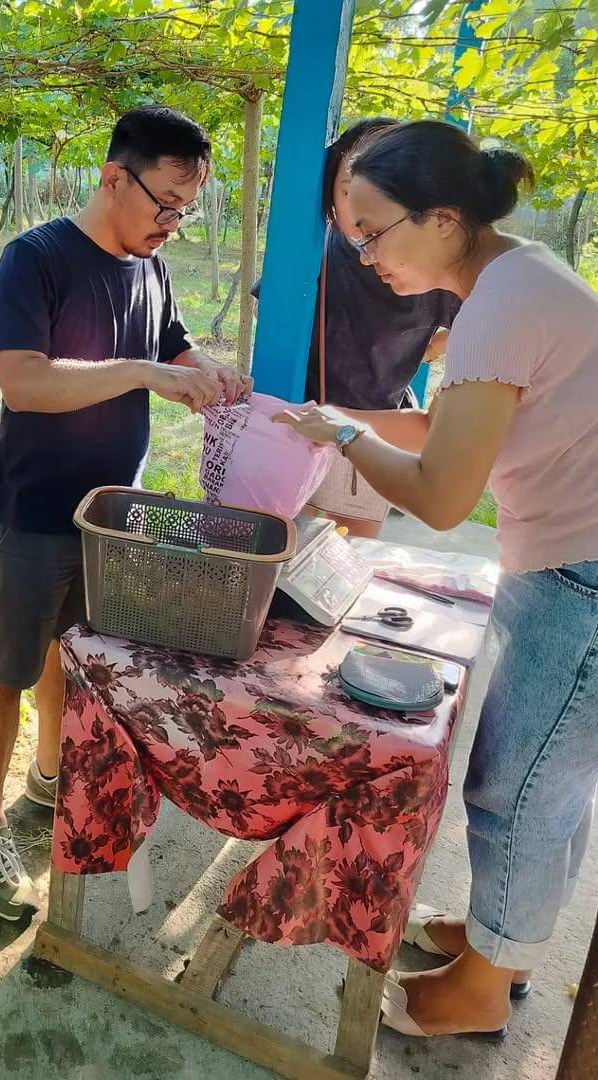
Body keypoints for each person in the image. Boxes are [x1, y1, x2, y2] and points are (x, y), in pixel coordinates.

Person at [275, 120, 598, 1040]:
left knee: (522, 787)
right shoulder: (512, 281)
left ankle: (483, 989)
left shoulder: (501, 303)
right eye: (353, 235)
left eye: (375, 232)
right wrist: (339, 415)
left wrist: (344, 440)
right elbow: (449, 430)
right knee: (548, 783)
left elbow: (443, 493)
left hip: (584, 574)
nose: (366, 255)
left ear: (446, 219)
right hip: (569, 561)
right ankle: (500, 941)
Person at [0, 105, 252, 920]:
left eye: (186, 211)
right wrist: (140, 374)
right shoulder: (37, 258)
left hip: (113, 517)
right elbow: (25, 382)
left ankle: (51, 776)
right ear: (112, 177)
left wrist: (206, 373)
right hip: (37, 510)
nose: (173, 224)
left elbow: (171, 344)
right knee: (5, 670)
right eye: (164, 204)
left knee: (80, 655)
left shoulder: (148, 266)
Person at [254, 118, 461, 538]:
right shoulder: (316, 253)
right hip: (301, 427)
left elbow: (433, 438)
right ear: (330, 188)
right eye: (349, 191)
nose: (361, 216)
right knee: (284, 554)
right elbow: (270, 312)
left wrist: (428, 346)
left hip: (374, 432)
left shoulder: (439, 276)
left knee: (346, 562)